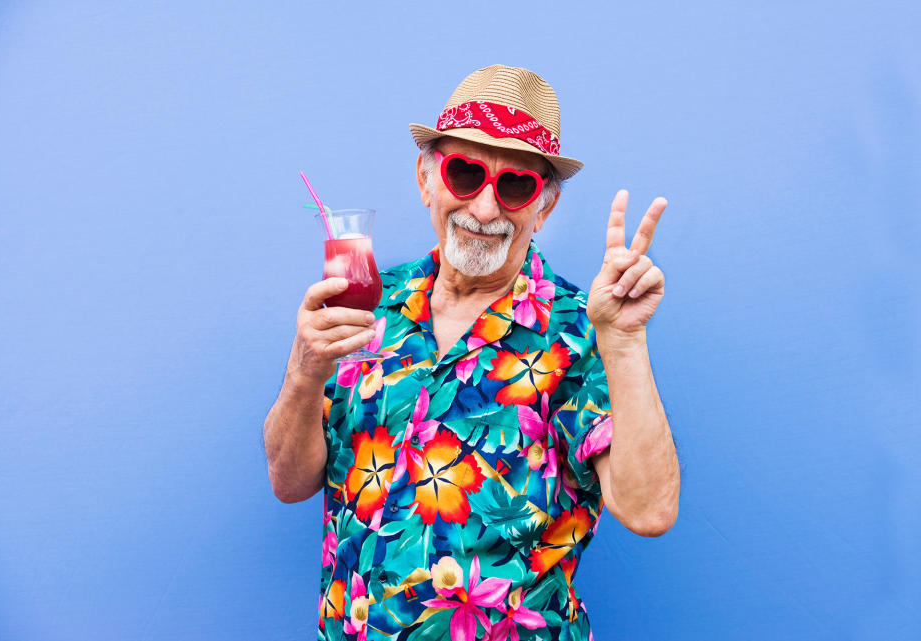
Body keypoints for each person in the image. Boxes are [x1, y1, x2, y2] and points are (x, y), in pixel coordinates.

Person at [264, 64, 680, 641]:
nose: (485, 209)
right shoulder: (365, 309)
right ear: (426, 179)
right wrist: (304, 372)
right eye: (465, 173)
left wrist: (627, 344)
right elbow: (289, 482)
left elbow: (649, 512)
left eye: (515, 186)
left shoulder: (585, 335)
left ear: (545, 207)